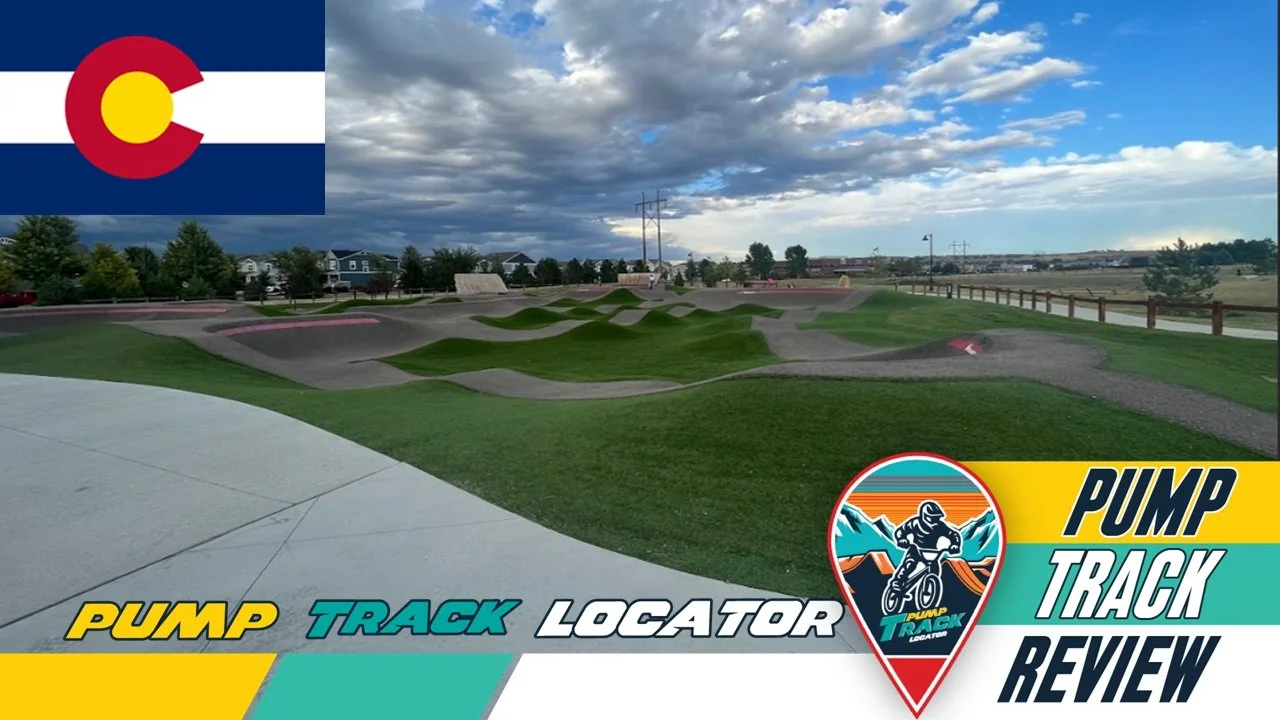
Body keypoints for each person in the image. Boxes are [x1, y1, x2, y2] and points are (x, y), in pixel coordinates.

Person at [888, 500, 962, 593]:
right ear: (925, 516)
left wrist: (955, 545)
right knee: (909, 564)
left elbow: (953, 534)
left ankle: (930, 589)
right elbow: (901, 531)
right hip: (916, 549)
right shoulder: (915, 523)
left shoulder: (939, 526)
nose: (936, 520)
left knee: (935, 570)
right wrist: (902, 539)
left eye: (937, 517)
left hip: (932, 552)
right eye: (933, 518)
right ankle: (897, 582)